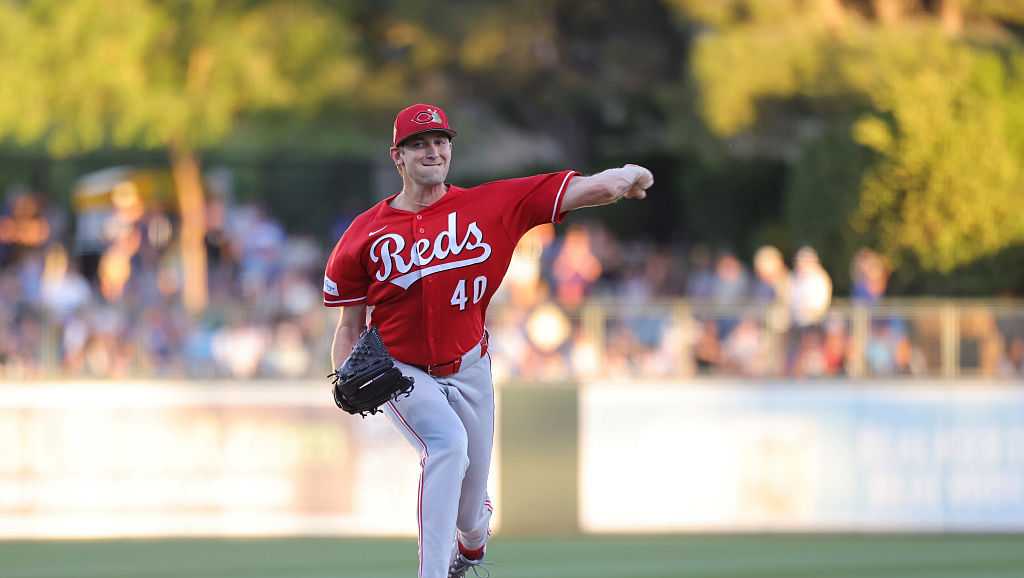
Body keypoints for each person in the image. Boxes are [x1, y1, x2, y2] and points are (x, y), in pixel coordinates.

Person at [322, 103, 653, 578]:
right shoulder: (363, 235)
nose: (432, 151)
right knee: (447, 446)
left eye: (440, 141)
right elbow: (349, 328)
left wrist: (626, 174)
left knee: (470, 513)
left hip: (471, 366)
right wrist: (343, 374)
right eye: (419, 143)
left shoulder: (491, 205)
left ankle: (473, 544)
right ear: (397, 156)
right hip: (401, 369)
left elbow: (583, 189)